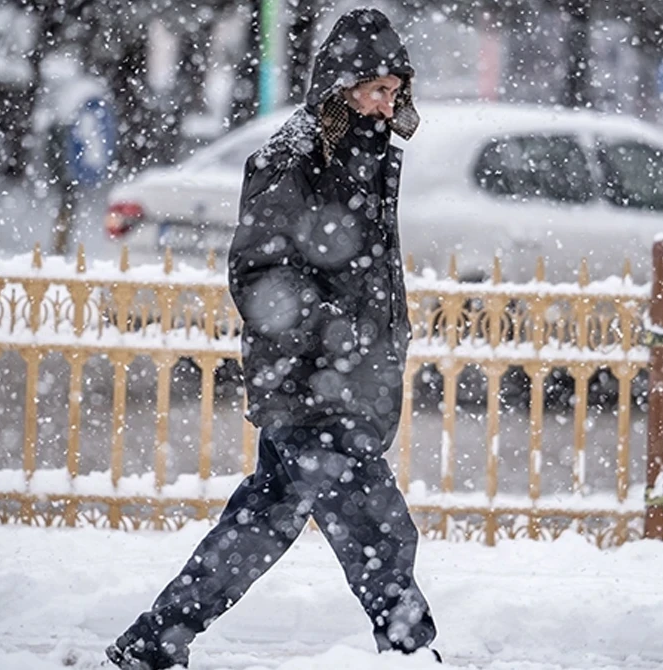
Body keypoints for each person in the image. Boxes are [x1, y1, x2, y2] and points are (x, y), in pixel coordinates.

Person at [106, 9, 436, 670]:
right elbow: (259, 270)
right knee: (376, 525)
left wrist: (383, 336)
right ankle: (408, 647)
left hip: (344, 373)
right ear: (339, 86)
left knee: (263, 522)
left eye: (395, 90)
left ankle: (153, 641)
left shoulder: (371, 157)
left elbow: (365, 265)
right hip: (311, 378)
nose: (387, 101)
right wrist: (332, 332)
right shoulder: (293, 159)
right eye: (375, 89)